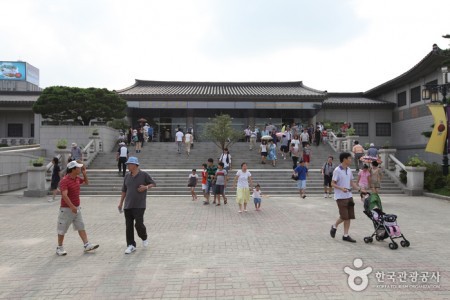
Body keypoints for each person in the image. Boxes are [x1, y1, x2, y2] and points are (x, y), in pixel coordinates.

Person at [56, 160, 99, 256]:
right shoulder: (65, 180)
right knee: (62, 228)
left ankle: (86, 244)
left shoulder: (76, 178)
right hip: (66, 209)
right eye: (79, 168)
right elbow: (64, 195)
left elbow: (87, 183)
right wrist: (71, 206)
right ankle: (59, 247)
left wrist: (84, 174)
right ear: (73, 169)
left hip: (77, 208)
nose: (80, 168)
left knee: (81, 226)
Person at [118, 157, 156, 254]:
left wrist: (146, 187)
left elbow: (153, 183)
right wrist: (121, 203)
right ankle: (131, 245)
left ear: (135, 165)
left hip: (139, 205)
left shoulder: (144, 175)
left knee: (139, 224)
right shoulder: (127, 176)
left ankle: (144, 237)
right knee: (128, 226)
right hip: (128, 205)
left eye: (129, 164)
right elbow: (124, 190)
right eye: (127, 164)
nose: (128, 166)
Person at [330, 152, 361, 243]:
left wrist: (359, 190)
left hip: (349, 196)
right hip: (340, 197)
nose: (351, 160)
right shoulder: (337, 170)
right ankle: (334, 226)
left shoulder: (349, 170)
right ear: (344, 159)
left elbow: (351, 182)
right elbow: (332, 183)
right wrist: (341, 188)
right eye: (349, 158)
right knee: (344, 216)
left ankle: (345, 235)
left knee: (349, 216)